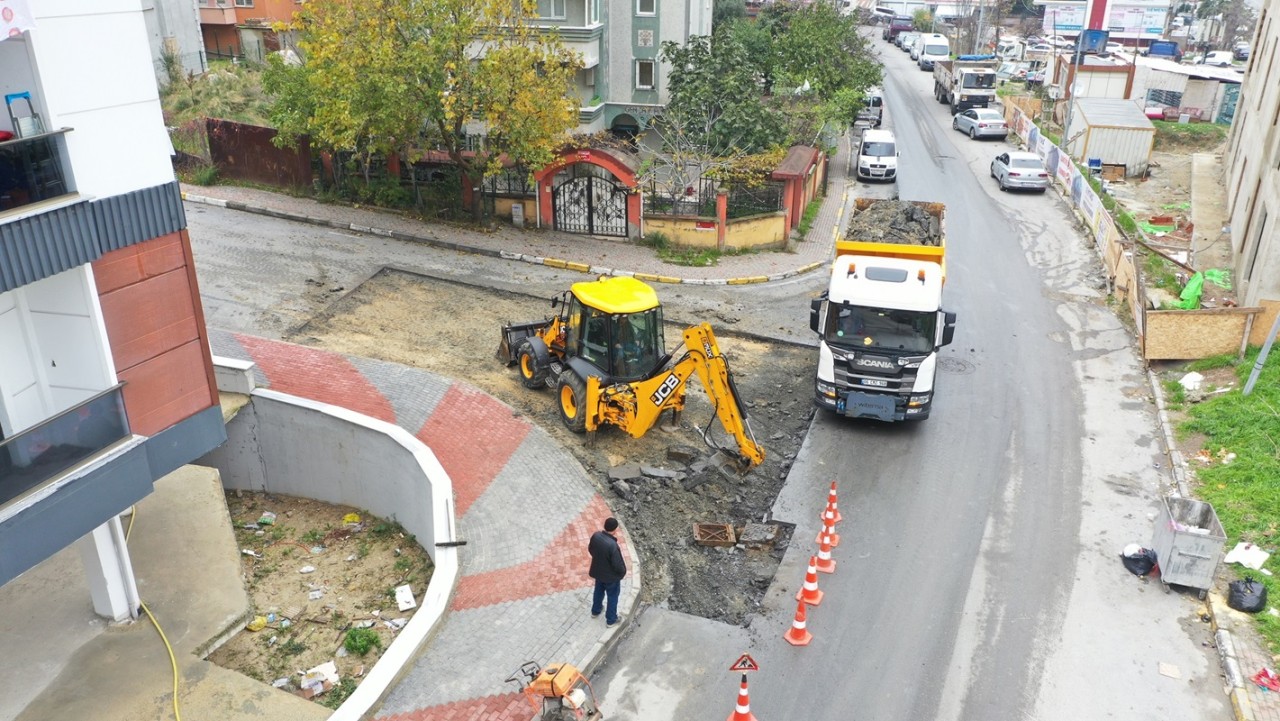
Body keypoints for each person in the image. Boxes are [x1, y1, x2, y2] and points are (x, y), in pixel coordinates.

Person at [588, 517, 627, 626]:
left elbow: (591, 549)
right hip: (611, 578)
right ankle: (611, 619)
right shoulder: (612, 545)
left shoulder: (595, 536)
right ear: (615, 529)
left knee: (598, 591)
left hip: (598, 572)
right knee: (612, 596)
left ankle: (595, 611)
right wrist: (622, 573)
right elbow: (617, 565)